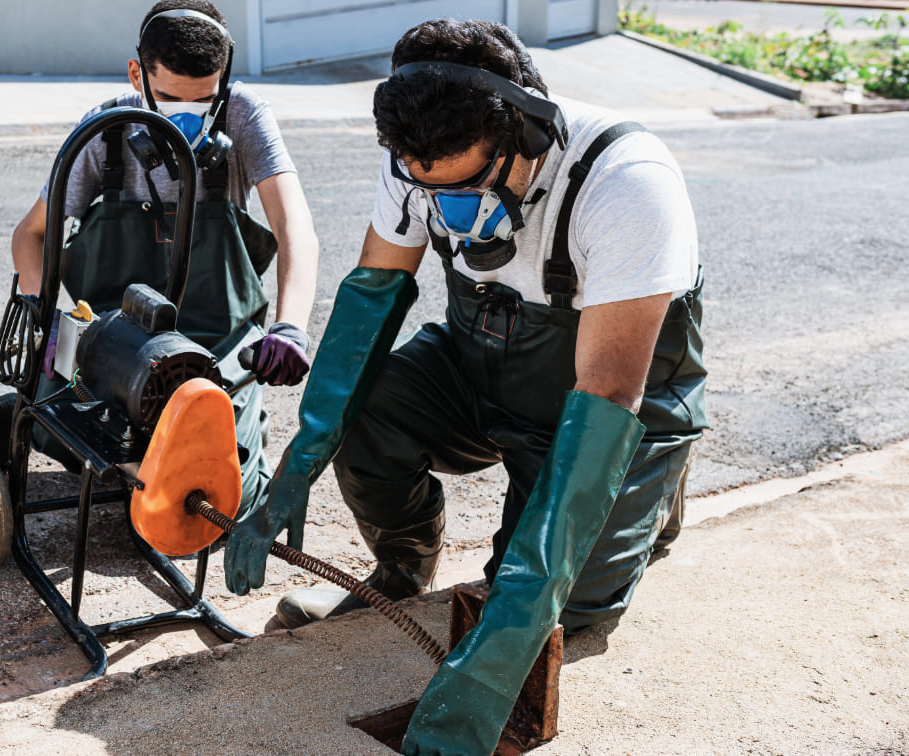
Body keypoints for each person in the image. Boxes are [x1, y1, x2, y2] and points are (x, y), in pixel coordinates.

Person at [222, 18, 706, 755]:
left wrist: (494, 662)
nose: (448, 212)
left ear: (525, 135)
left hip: (601, 406)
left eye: (470, 187)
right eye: (428, 187)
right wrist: (298, 464)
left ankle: (652, 487)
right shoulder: (418, 159)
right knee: (364, 412)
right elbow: (370, 302)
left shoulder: (624, 182)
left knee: (556, 607)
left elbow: (606, 395)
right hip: (481, 365)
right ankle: (402, 565)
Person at [9, 0, 319, 513]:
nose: (187, 117)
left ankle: (236, 427)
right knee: (58, 430)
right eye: (170, 98)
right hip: (116, 343)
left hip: (212, 344)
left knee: (219, 499)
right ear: (138, 75)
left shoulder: (243, 113)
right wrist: (44, 320)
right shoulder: (104, 130)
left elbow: (296, 229)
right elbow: (31, 234)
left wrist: (291, 327)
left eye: (203, 102)